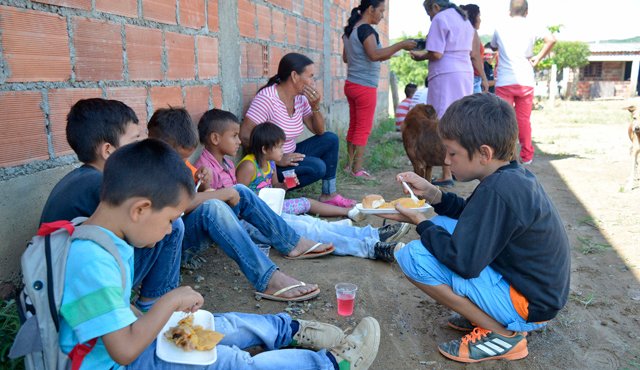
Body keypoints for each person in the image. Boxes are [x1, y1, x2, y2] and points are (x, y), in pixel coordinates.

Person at [58, 138, 382, 370]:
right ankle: (330, 364)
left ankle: (290, 331)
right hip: (127, 362)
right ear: (141, 209)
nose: (172, 230)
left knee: (218, 324)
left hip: (135, 342)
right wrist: (167, 304)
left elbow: (115, 307)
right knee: (227, 361)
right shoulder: (91, 261)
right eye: (170, 220)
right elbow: (124, 351)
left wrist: (158, 321)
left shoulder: (104, 240)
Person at [386, 93, 570, 363]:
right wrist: (433, 194)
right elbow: (469, 216)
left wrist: (420, 223)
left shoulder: (498, 190)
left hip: (529, 307)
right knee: (442, 224)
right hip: (538, 296)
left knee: (412, 257)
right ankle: (483, 312)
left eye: (452, 153)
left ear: (484, 153)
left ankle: (503, 335)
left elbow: (463, 262)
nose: (447, 161)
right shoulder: (511, 176)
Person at [148, 107, 335, 302]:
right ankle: (268, 278)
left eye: (186, 158)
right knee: (215, 206)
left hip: (185, 232)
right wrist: (223, 193)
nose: (183, 162)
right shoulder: (153, 166)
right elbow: (178, 205)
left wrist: (202, 181)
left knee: (241, 191)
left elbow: (192, 192)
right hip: (172, 246)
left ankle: (292, 243)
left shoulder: (177, 162)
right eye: (180, 157)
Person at [39, 98, 180, 312]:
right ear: (108, 151)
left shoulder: (84, 178)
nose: (142, 148)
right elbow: (145, 240)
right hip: (73, 290)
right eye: (135, 142)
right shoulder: (103, 185)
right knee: (174, 226)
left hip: (62, 281)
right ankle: (154, 301)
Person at [234, 120, 409, 262]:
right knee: (311, 231)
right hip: (255, 222)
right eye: (279, 147)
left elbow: (275, 189)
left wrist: (286, 186)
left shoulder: (270, 163)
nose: (283, 150)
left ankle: (373, 234)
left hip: (270, 212)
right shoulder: (248, 167)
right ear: (265, 149)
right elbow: (238, 202)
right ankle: (371, 248)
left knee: (314, 224)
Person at [241, 53, 355, 208]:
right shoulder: (267, 98)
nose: (313, 82)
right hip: (272, 166)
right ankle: (276, 188)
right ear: (294, 76)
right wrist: (276, 159)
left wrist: (315, 107)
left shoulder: (300, 98)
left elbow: (319, 131)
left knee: (330, 139)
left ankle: (329, 193)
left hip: (290, 154)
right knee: (317, 167)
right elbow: (245, 135)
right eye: (311, 76)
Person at [342, 0, 417, 178]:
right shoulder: (366, 30)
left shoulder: (350, 30)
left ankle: (349, 166)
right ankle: (357, 170)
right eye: (381, 11)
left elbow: (347, 58)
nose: (382, 15)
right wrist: (401, 45)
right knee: (363, 128)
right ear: (370, 9)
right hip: (364, 87)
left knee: (354, 126)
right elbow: (374, 55)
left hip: (351, 84)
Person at [410, 0, 477, 187]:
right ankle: (459, 168)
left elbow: (437, 53)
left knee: (442, 121)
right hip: (464, 72)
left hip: (445, 74)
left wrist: (420, 55)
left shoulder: (440, 18)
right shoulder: (464, 18)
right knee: (460, 120)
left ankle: (446, 173)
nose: (431, 18)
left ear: (435, 7)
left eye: (429, 13)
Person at [490, 0, 556, 164]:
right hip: (526, 79)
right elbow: (551, 39)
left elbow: (493, 46)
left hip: (505, 80)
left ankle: (504, 154)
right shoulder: (532, 25)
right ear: (527, 11)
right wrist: (537, 58)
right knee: (523, 120)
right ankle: (526, 156)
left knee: (503, 119)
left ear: (509, 12)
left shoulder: (500, 27)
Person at [460, 4, 489, 94]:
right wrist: (484, 78)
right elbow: (475, 56)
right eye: (479, 16)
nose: (480, 19)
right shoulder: (472, 31)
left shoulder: (464, 32)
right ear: (473, 17)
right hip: (473, 77)